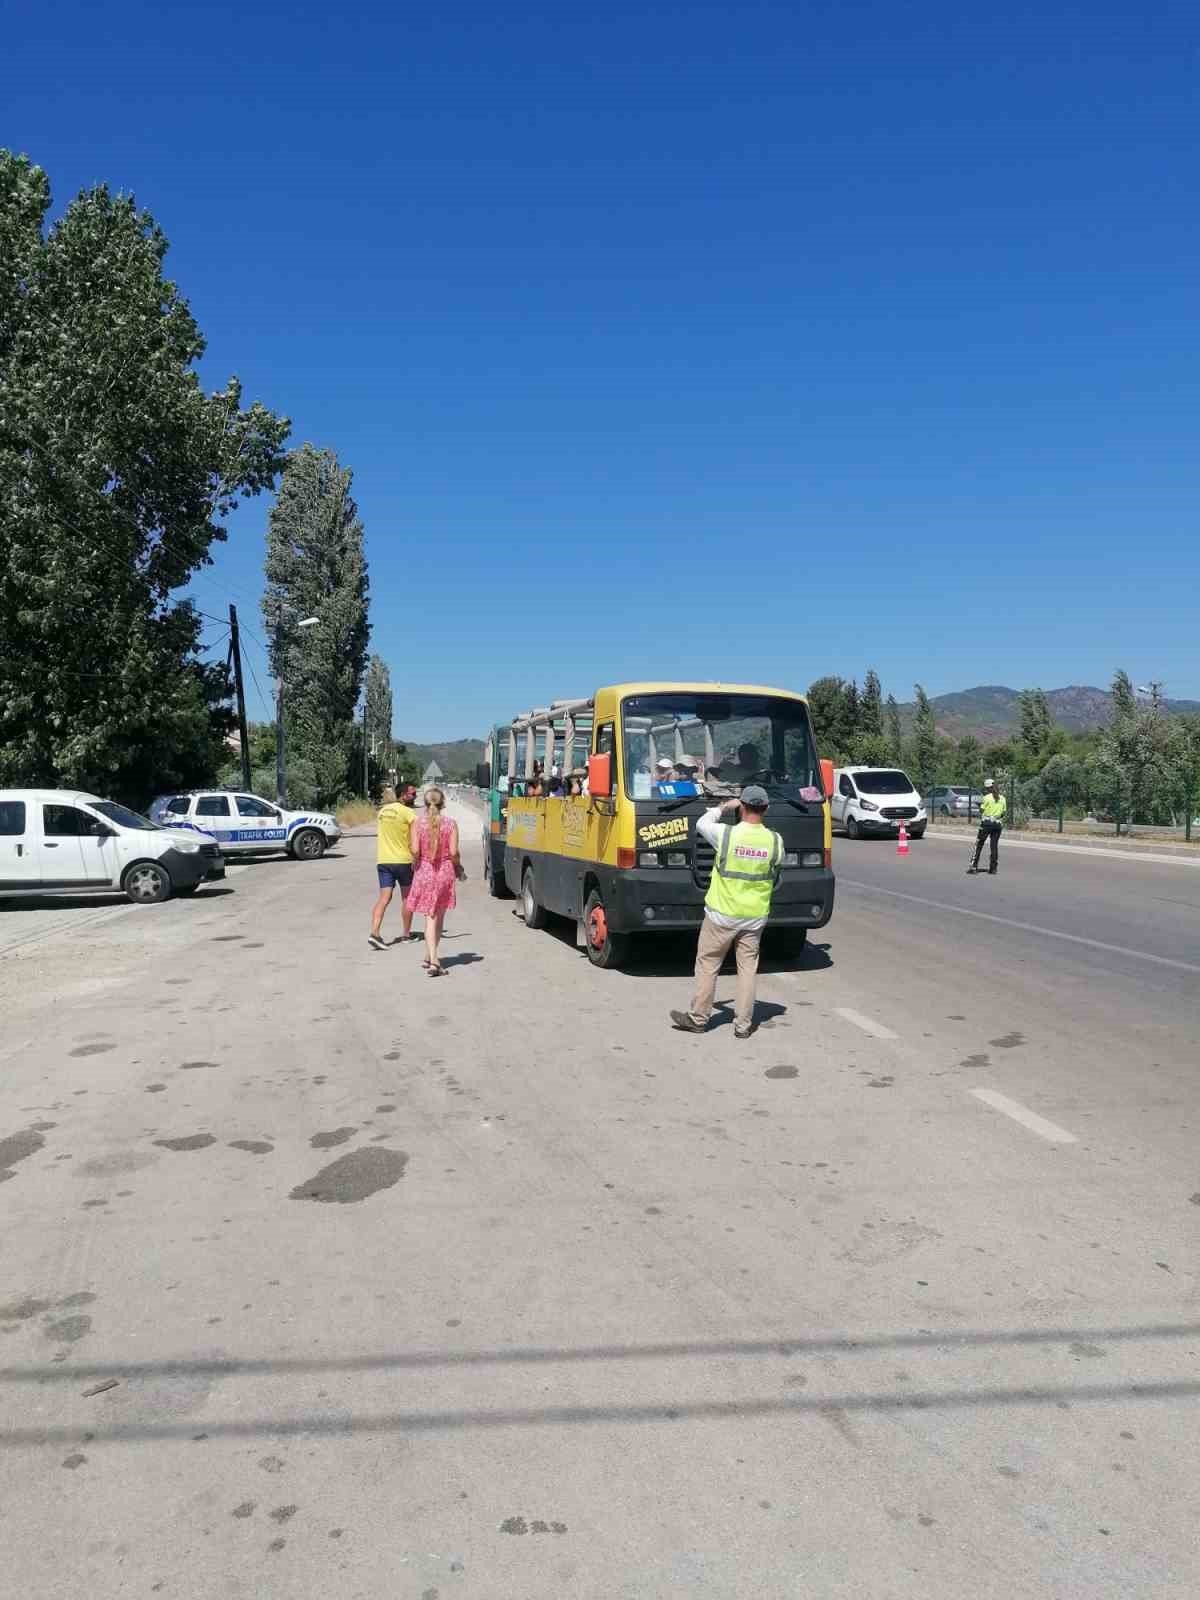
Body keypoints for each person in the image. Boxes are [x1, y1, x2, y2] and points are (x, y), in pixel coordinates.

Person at [670, 785, 782, 1040]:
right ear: (766, 809)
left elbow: (701, 823)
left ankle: (698, 1018)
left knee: (708, 964)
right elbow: (776, 865)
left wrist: (722, 807)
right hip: (754, 917)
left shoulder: (727, 835)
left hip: (722, 915)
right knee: (747, 970)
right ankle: (743, 1025)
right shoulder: (775, 841)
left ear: (742, 807)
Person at [407, 787, 465, 975]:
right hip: (445, 872)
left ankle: (430, 957)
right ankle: (434, 960)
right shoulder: (451, 824)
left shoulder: (417, 823)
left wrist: (415, 861)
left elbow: (415, 850)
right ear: (443, 804)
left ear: (425, 804)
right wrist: (459, 867)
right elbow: (454, 852)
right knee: (438, 917)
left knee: (430, 918)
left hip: (424, 871)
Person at [369, 782, 418, 950]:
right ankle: (406, 935)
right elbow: (414, 842)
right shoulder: (409, 813)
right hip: (403, 861)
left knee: (384, 898)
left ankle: (374, 933)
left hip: (383, 861)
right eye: (412, 794)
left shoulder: (382, 812)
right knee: (407, 898)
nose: (415, 796)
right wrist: (417, 858)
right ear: (403, 795)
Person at [967, 778, 1007, 875]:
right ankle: (993, 868)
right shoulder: (1002, 798)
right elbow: (1003, 813)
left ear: (988, 788)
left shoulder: (986, 798)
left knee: (979, 844)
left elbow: (982, 810)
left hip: (986, 823)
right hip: (997, 824)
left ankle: (973, 867)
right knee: (994, 846)